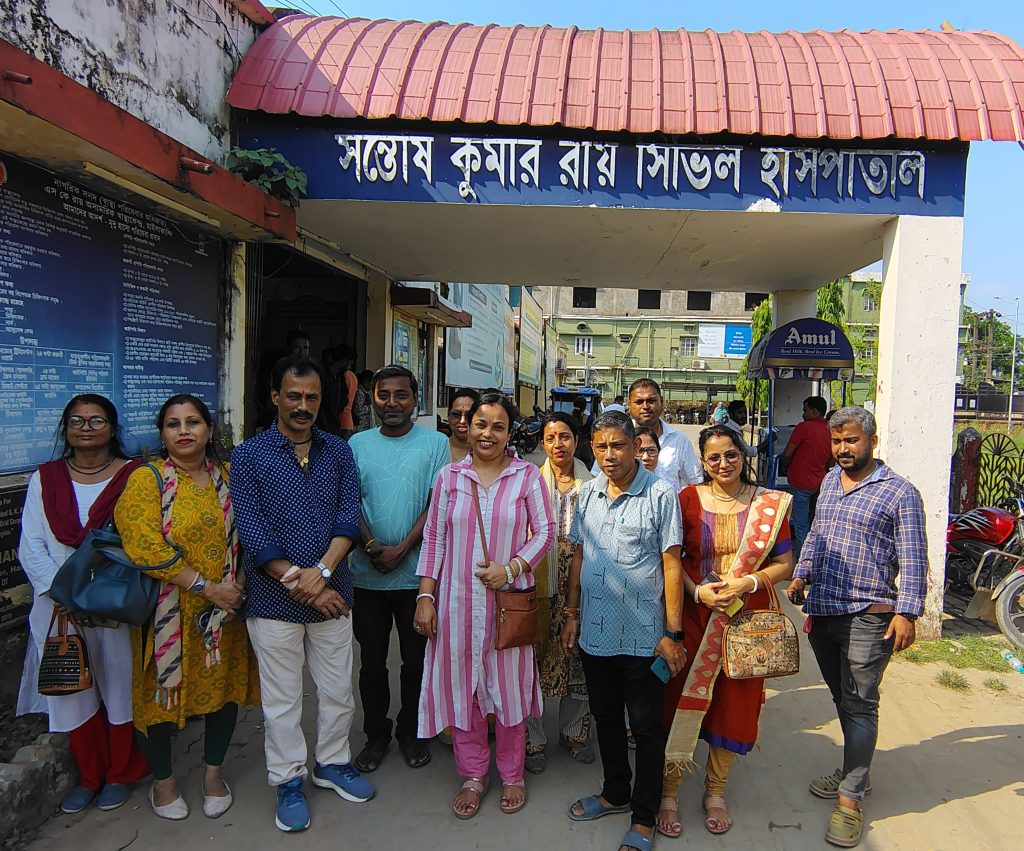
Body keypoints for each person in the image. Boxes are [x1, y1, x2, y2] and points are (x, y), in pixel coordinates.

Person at [230, 356, 373, 833]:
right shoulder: (249, 455)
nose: (303, 406)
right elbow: (254, 532)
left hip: (334, 592)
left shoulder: (338, 451)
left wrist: (324, 572)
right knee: (282, 700)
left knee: (337, 691)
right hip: (274, 600)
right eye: (293, 395)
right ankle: (288, 778)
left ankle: (331, 762)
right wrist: (306, 585)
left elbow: (348, 519)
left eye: (312, 397)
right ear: (275, 397)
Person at [787, 406, 926, 849]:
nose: (843, 449)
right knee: (841, 698)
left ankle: (850, 800)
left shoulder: (899, 493)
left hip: (869, 614)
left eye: (851, 440)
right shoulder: (830, 480)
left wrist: (907, 613)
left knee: (861, 703)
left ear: (872, 441)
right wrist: (801, 573)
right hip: (824, 608)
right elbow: (817, 535)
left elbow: (914, 557)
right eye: (837, 441)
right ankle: (854, 771)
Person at [116, 394, 258, 820]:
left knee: (223, 691)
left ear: (209, 430)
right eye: (173, 424)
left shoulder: (228, 476)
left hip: (223, 614)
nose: (183, 431)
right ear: (162, 434)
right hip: (167, 613)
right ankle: (163, 783)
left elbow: (250, 535)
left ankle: (213, 776)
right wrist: (206, 587)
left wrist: (236, 587)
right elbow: (143, 546)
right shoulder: (147, 479)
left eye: (193, 422)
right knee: (158, 699)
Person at [414, 393, 554, 819]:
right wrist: (425, 596)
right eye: (480, 424)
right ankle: (473, 774)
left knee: (509, 692)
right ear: (467, 427)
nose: (487, 433)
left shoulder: (526, 476)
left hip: (508, 607)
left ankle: (512, 774)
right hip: (456, 605)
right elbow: (434, 539)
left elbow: (545, 532)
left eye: (498, 426)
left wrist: (511, 568)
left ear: (510, 433)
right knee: (464, 690)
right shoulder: (449, 477)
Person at [658, 425, 794, 838]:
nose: (723, 463)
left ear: (743, 455)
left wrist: (747, 582)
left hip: (746, 623)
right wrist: (697, 591)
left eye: (731, 454)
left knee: (735, 705)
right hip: (695, 618)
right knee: (678, 699)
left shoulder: (768, 504)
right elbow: (672, 559)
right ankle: (669, 792)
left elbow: (785, 564)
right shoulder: (687, 499)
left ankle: (715, 791)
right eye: (714, 457)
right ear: (702, 462)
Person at [17, 395, 150, 815]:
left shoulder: (134, 476)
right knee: (71, 688)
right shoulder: (46, 478)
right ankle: (90, 776)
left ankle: (120, 773)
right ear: (65, 428)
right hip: (58, 605)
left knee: (119, 683)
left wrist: (95, 594)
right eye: (77, 421)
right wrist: (65, 594)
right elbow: (31, 545)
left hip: (114, 599)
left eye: (96, 420)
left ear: (112, 428)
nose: (86, 428)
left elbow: (140, 539)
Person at [562, 411, 685, 851]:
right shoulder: (588, 493)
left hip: (644, 636)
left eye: (618, 445)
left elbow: (672, 565)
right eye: (601, 447)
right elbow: (579, 555)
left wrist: (673, 633)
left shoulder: (660, 494)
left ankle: (645, 816)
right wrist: (572, 613)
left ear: (635, 446)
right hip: (595, 633)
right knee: (607, 717)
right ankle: (615, 792)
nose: (609, 455)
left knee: (647, 728)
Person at [349, 366, 449, 773]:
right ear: (373, 399)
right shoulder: (356, 443)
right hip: (366, 576)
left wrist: (403, 548)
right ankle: (376, 735)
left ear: (415, 400)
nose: (392, 403)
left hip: (416, 578)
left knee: (416, 662)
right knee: (372, 663)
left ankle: (411, 732)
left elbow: (436, 504)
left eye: (401, 395)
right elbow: (348, 501)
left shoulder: (436, 443)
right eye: (384, 395)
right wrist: (371, 545)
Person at [525, 413, 594, 774]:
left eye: (565, 437)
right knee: (531, 661)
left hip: (582, 583)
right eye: (550, 438)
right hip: (540, 584)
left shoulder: (594, 485)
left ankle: (574, 733)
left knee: (578, 658)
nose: (558, 445)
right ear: (543, 443)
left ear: (577, 440)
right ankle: (532, 740)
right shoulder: (530, 482)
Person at [627, 379, 703, 490]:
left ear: (661, 402)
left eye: (651, 400)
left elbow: (696, 483)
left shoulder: (679, 440)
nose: (645, 406)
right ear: (629, 404)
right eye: (639, 402)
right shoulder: (620, 439)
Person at [780, 395, 832, 559]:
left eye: (805, 410)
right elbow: (831, 459)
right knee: (814, 524)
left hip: (800, 482)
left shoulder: (804, 427)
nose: (803, 414)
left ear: (814, 411)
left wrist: (785, 466)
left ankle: (803, 562)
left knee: (801, 526)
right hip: (820, 482)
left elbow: (788, 452)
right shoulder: (830, 429)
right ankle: (815, 559)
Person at [447, 387, 480, 463]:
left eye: (469, 415)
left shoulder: (487, 452)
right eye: (456, 415)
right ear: (448, 416)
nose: (462, 421)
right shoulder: (438, 448)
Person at [572, 396, 595, 469]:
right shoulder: (590, 419)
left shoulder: (569, 419)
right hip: (586, 449)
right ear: (585, 407)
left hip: (573, 449)